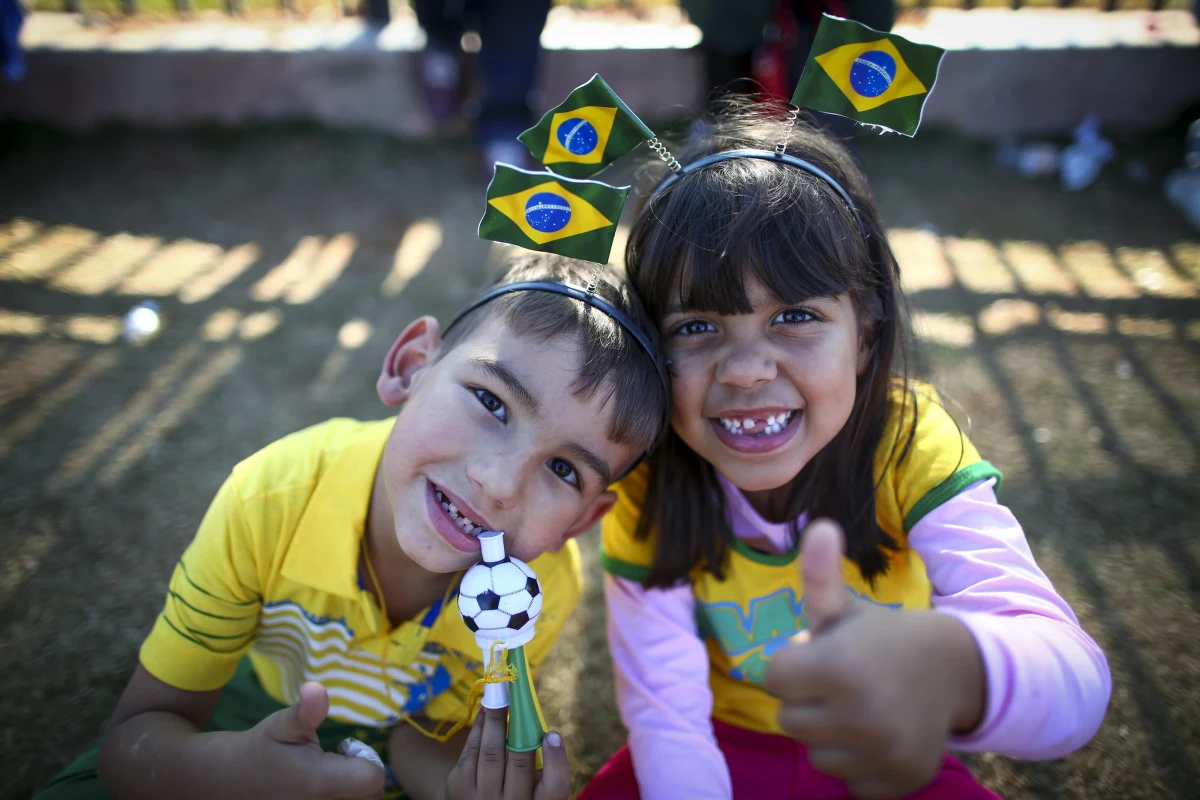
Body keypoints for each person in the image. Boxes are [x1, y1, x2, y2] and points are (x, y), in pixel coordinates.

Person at [581, 103, 1112, 800]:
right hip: (716, 746)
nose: (746, 370)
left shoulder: (909, 441)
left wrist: (954, 670)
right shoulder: (650, 483)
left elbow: (1075, 686)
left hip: (881, 759)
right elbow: (668, 718)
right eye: (698, 324)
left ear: (864, 332)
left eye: (795, 316)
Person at [34, 253, 669, 800]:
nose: (501, 484)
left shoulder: (537, 591)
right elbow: (134, 741)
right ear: (410, 366)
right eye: (490, 401)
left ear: (582, 521)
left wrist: (456, 789)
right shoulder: (270, 499)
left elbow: (424, 736)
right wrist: (233, 772)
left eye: (562, 468)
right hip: (245, 710)